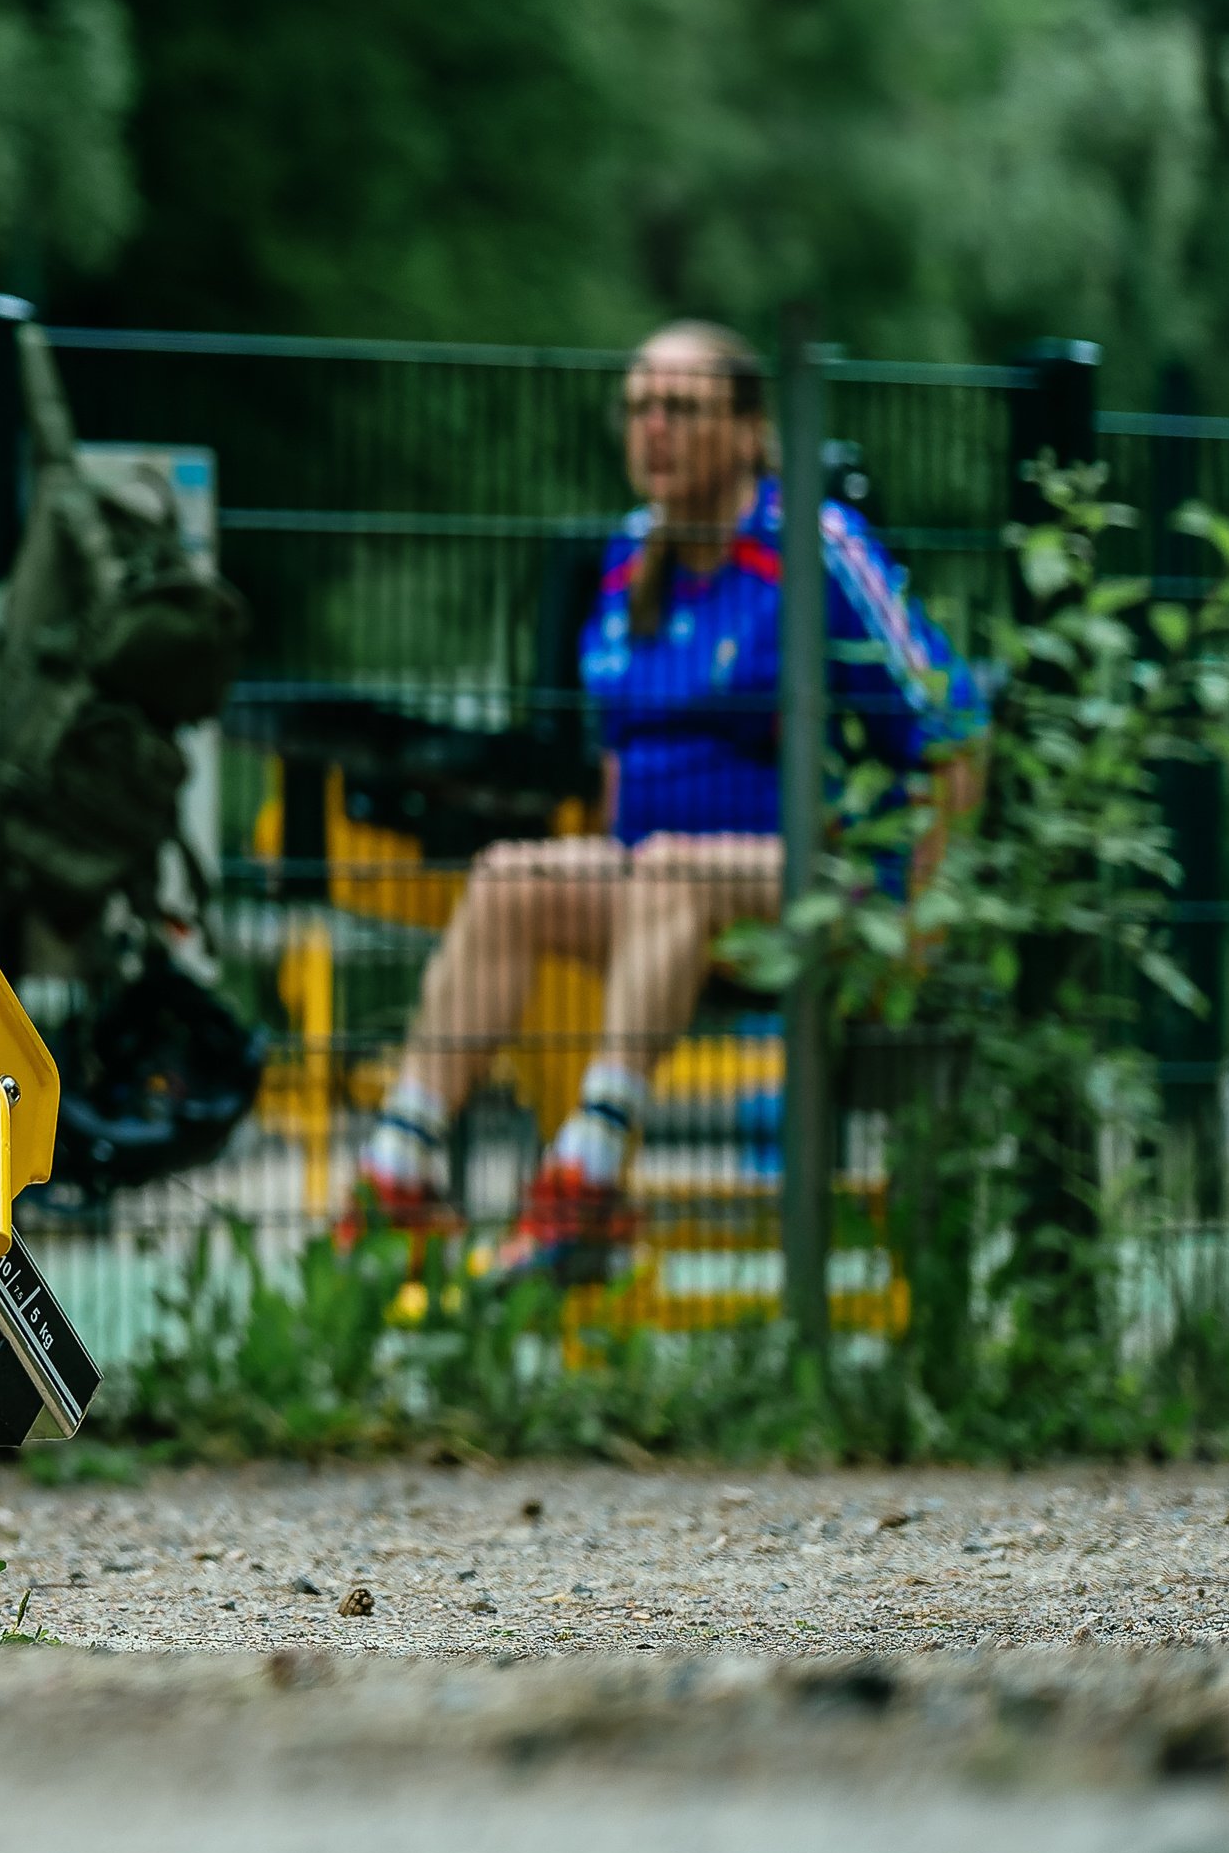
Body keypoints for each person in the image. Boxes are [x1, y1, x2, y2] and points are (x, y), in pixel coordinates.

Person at [351, 321, 972, 1282]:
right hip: (665, 889)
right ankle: (395, 1175)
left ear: (749, 429)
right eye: (638, 406)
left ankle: (589, 1182)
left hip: (825, 890)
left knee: (672, 866)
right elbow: (616, 760)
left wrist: (924, 916)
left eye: (680, 407)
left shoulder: (811, 549)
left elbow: (954, 726)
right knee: (512, 875)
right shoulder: (625, 557)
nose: (654, 428)